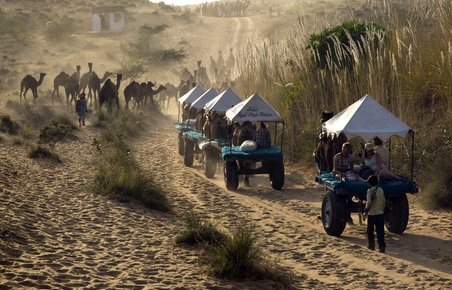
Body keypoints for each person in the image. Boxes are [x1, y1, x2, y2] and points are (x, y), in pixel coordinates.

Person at [364, 175, 386, 253]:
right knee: (380, 231)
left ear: (369, 183)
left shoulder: (369, 191)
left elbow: (369, 202)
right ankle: (382, 246)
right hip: (380, 213)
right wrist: (381, 209)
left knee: (370, 231)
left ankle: (371, 245)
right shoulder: (381, 190)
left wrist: (366, 210)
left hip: (372, 214)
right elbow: (383, 201)